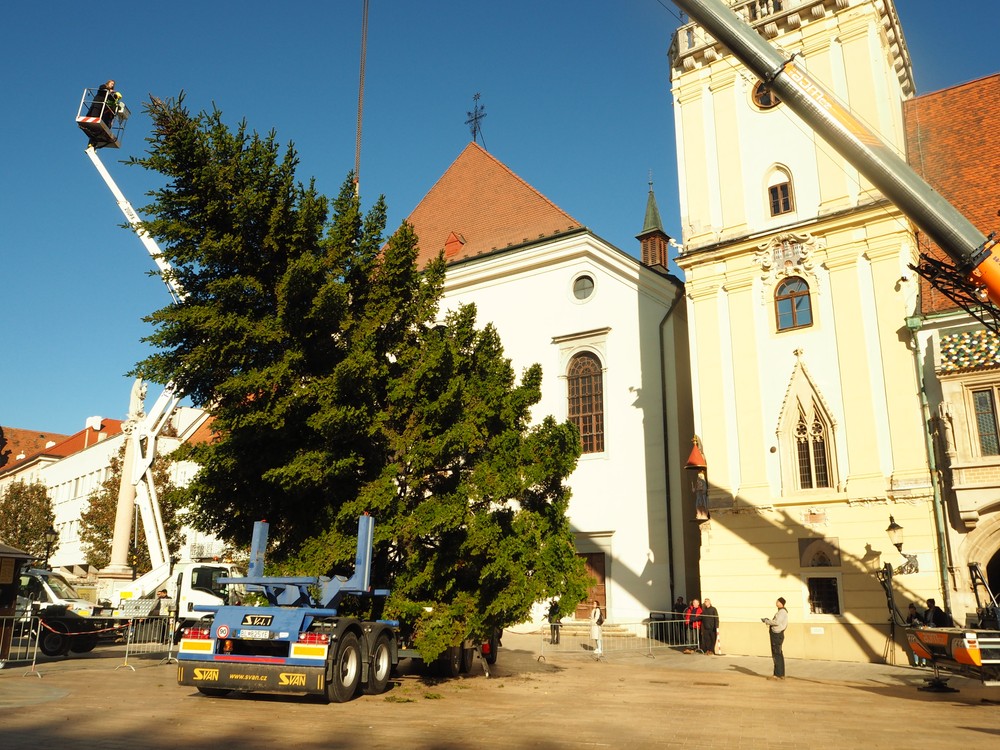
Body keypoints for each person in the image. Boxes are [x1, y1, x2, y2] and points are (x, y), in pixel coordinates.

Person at [762, 597, 788, 680]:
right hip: (777, 634)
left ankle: (776, 675)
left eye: (778, 601)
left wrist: (767, 621)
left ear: (781, 603)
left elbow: (776, 622)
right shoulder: (781, 611)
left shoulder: (782, 612)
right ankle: (781, 674)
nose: (776, 602)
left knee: (776, 654)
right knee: (778, 654)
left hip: (776, 635)